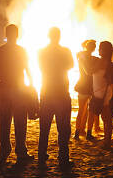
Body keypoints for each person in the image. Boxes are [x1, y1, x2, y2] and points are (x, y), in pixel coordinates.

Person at [0, 23, 34, 165]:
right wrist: (31, 84)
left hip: (4, 87)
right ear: (17, 34)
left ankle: (4, 153)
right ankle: (21, 152)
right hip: (19, 88)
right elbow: (27, 69)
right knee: (20, 122)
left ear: (6, 34)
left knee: (4, 121)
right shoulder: (21, 50)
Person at [37, 27, 74, 168]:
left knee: (44, 127)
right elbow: (70, 65)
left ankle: (41, 156)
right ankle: (63, 157)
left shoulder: (41, 52)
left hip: (46, 92)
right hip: (62, 92)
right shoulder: (65, 51)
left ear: (48, 36)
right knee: (64, 128)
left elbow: (41, 67)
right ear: (59, 36)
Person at [93, 41, 113, 147]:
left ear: (104, 50)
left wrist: (82, 60)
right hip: (105, 91)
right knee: (106, 117)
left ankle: (107, 141)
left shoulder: (101, 61)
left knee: (106, 118)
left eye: (100, 48)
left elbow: (89, 71)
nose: (98, 50)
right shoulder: (109, 62)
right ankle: (107, 139)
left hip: (101, 92)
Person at [74, 39, 97, 140]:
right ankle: (87, 132)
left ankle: (77, 132)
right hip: (90, 85)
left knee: (81, 110)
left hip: (83, 85)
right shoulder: (92, 59)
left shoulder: (81, 57)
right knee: (90, 110)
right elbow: (89, 71)